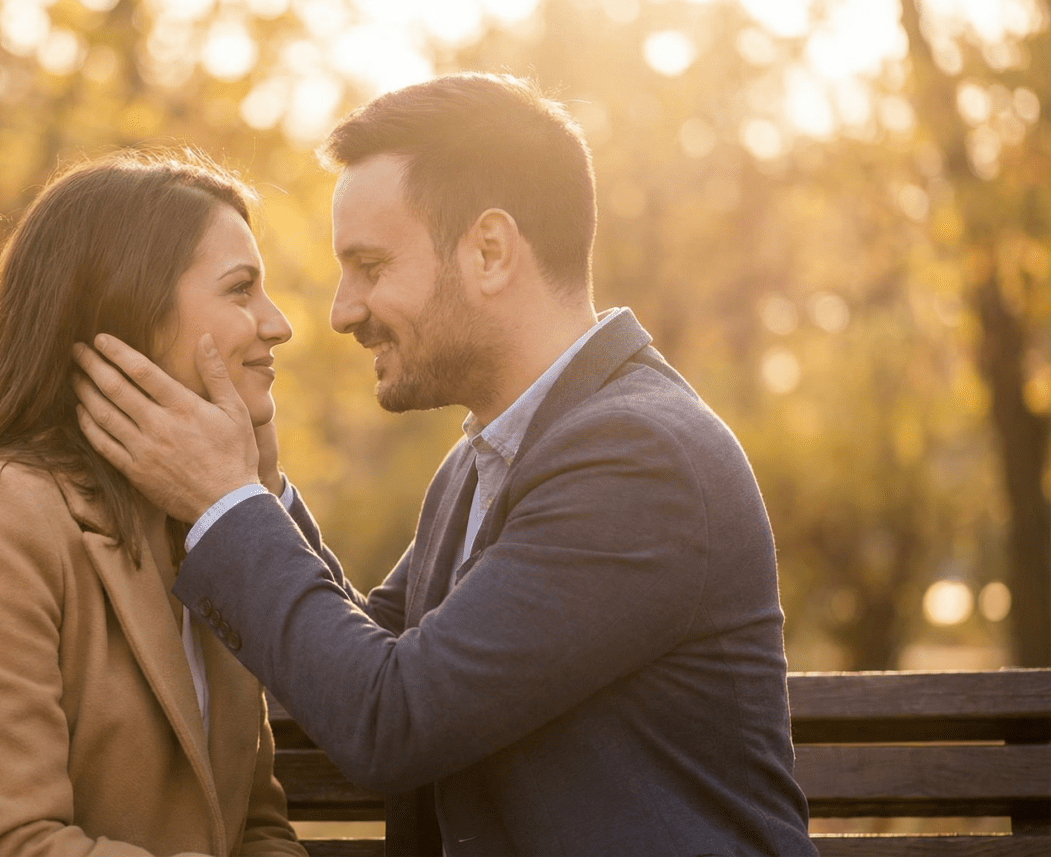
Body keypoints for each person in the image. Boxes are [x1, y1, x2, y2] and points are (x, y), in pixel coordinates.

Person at [73, 74, 818, 856]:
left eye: (369, 265)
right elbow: (367, 657)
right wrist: (261, 489)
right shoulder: (486, 458)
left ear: (490, 251)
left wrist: (227, 504)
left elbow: (390, 717)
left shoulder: (638, 460)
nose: (341, 310)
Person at [0, 150, 306, 857]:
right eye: (241, 290)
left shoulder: (198, 525)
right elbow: (8, 843)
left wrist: (249, 498)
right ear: (130, 306)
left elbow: (256, 825)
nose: (278, 324)